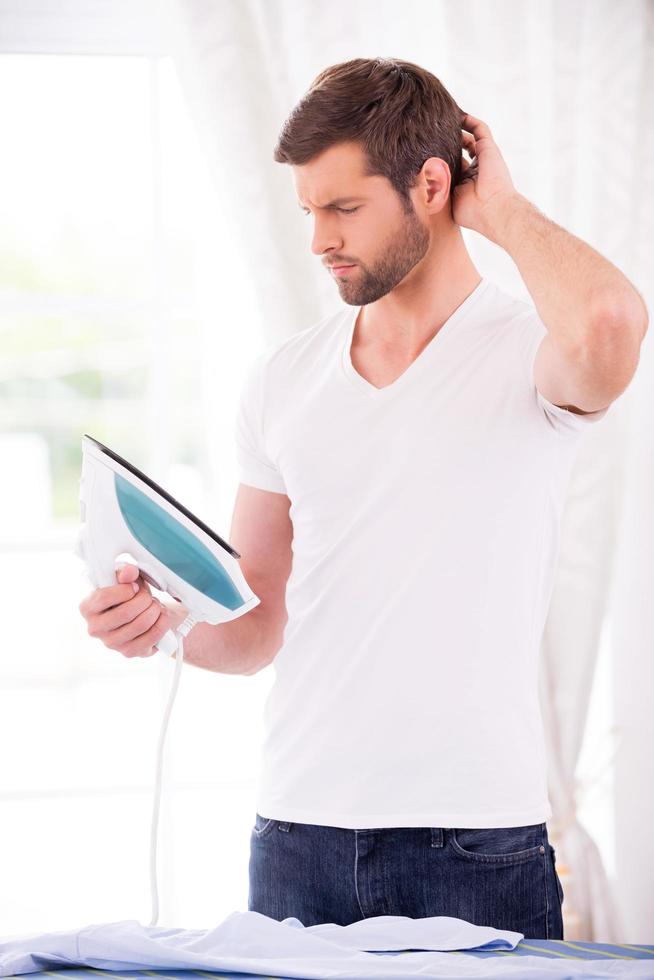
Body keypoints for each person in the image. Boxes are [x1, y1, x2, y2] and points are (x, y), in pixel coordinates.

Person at [79, 57, 646, 940]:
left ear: (430, 186)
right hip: (296, 836)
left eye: (343, 208)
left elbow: (612, 321)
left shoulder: (533, 354)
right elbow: (255, 624)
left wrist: (497, 207)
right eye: (309, 210)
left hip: (478, 845)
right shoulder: (282, 379)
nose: (319, 241)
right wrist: (166, 627)